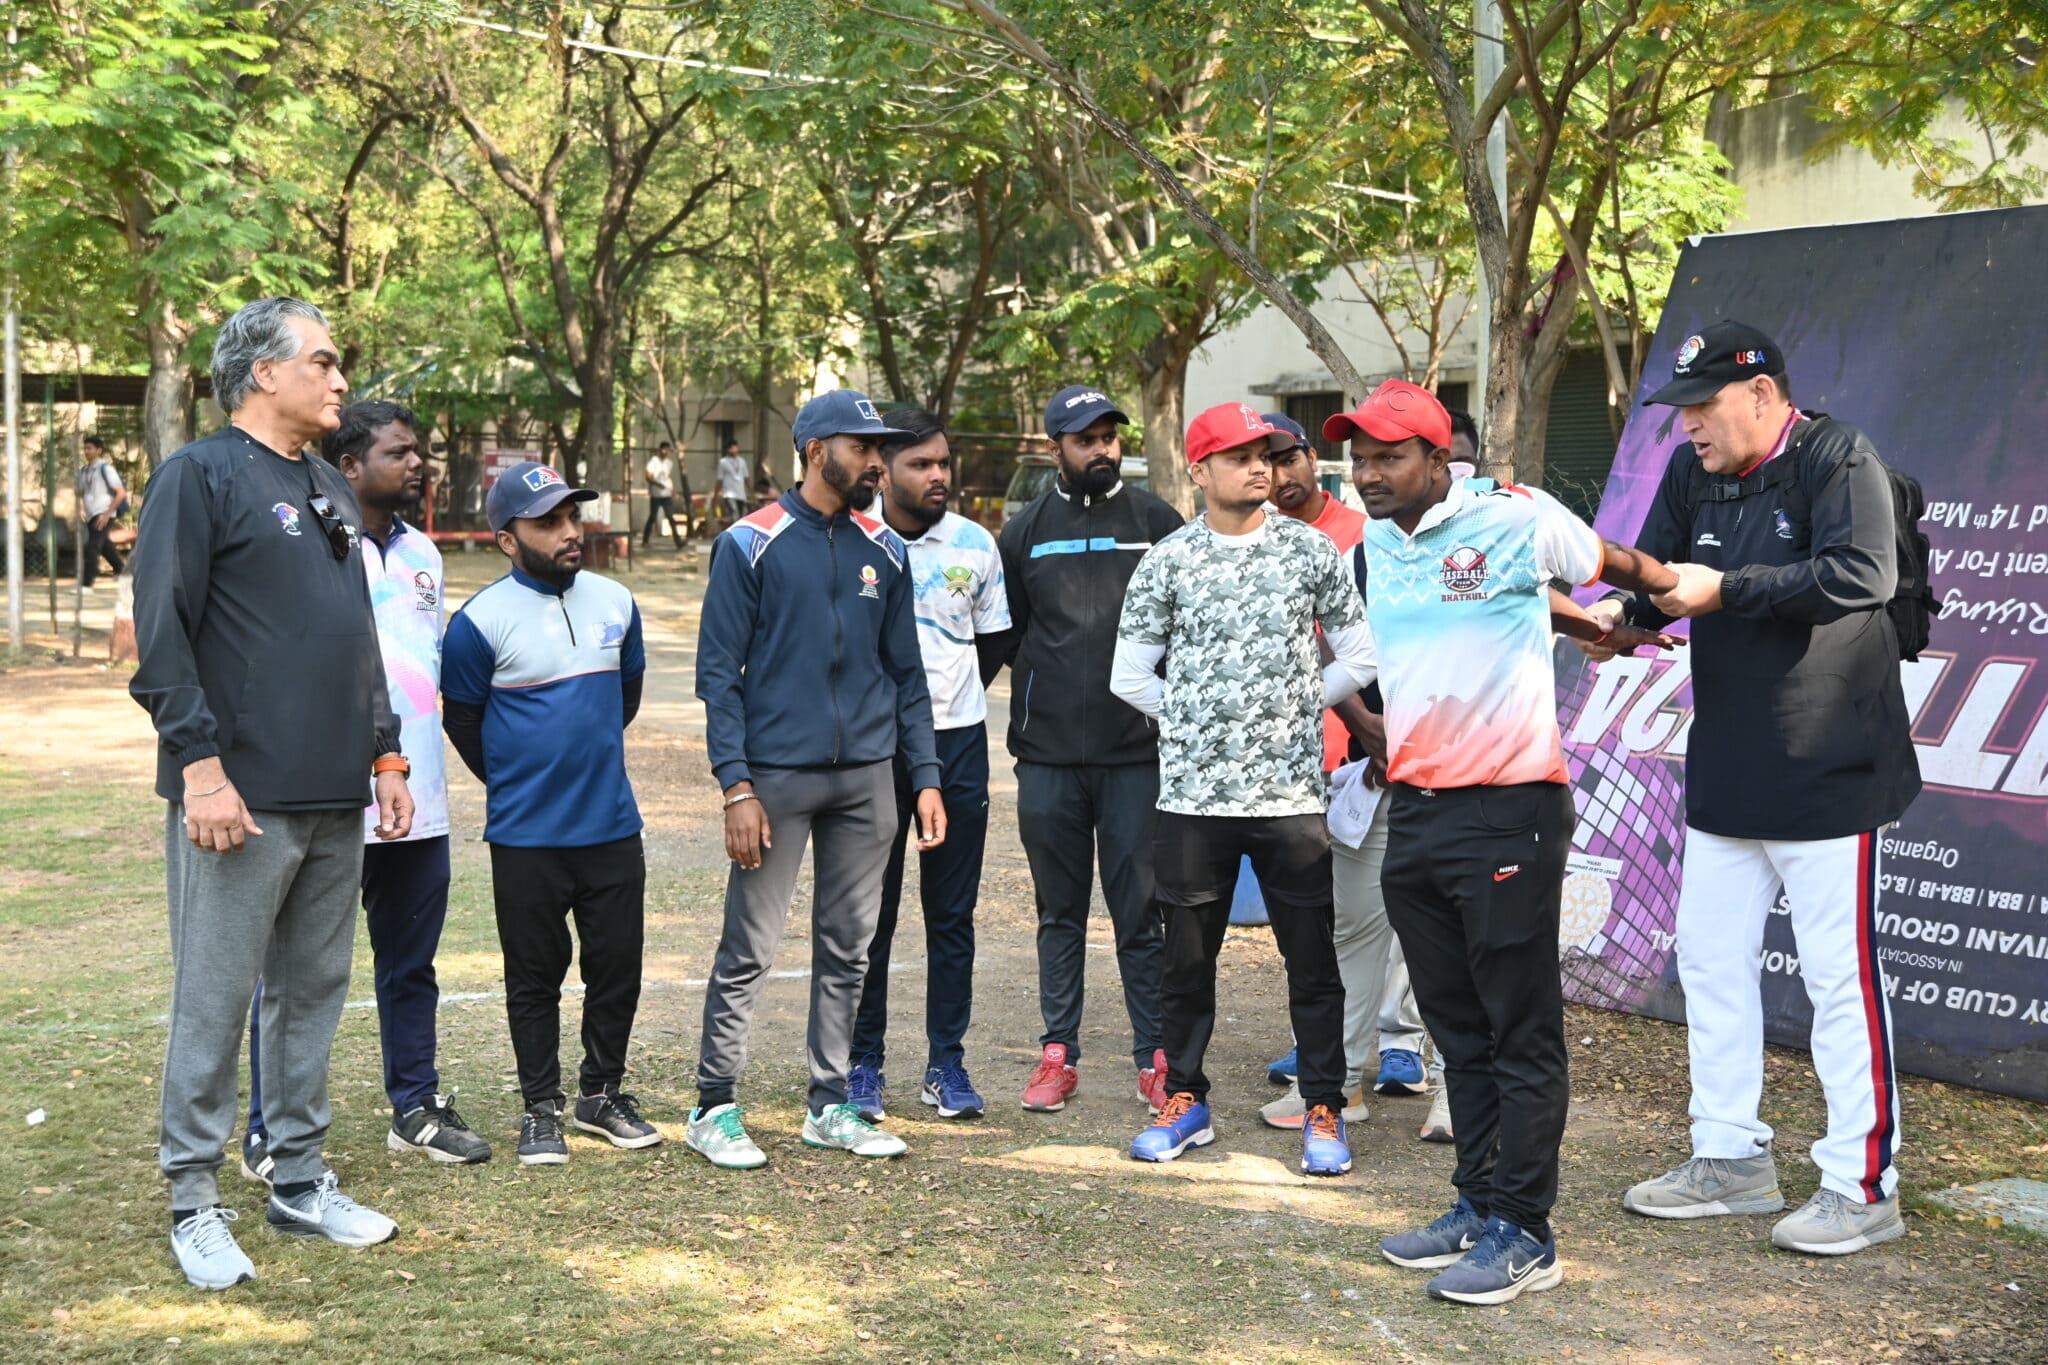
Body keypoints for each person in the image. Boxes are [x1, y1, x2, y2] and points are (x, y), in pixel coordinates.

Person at [1337, 379, 1677, 1305]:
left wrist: (1657, 599)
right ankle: (1478, 1203)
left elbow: (1605, 566)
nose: (1368, 473)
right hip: (1417, 811)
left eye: (1388, 456)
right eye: (1359, 457)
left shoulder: (1517, 516)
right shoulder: (1377, 540)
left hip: (1509, 805)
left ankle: (1527, 1231)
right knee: (1455, 1026)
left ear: (1439, 460)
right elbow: (1435, 632)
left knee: (1518, 1027)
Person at [1597, 321, 1920, 1256]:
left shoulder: (1836, 454)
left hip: (1831, 763)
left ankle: (1863, 1184)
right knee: (1707, 955)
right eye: (1681, 409)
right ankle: (1730, 1155)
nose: (1688, 425)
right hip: (1730, 758)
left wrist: (1725, 590)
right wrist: (1616, 615)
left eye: (1703, 407)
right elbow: (1660, 577)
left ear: (1764, 397)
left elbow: (1863, 574)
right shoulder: (1693, 471)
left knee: (1836, 977)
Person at [130, 296, 412, 1291]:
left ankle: (298, 1181)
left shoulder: (328, 482)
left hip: (335, 790)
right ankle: (193, 1200)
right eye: (325, 362)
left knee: (311, 996)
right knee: (214, 998)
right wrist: (201, 768)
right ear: (264, 373)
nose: (341, 381)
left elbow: (357, 632)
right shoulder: (197, 476)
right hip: (237, 798)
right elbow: (159, 635)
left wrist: (385, 755)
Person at [1111, 403, 1377, 1177]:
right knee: (1186, 963)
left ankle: (1322, 1104)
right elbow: (1130, 675)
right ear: (1200, 471)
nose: (1260, 467)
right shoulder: (1168, 560)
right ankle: (1185, 1098)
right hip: (1193, 799)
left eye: (1266, 453)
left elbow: (1358, 655)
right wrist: (1199, 719)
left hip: (1291, 797)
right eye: (1238, 456)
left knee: (1311, 960)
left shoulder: (1310, 551)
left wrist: (1294, 706)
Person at [689, 389, 944, 1168]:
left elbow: (907, 675)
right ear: (813, 450)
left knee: (850, 947)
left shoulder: (887, 548)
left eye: (879, 447)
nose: (876, 460)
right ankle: (713, 1104)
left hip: (868, 781)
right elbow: (716, 675)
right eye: (861, 446)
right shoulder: (749, 543)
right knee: (750, 945)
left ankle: (829, 1104)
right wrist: (737, 785)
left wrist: (924, 776)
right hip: (775, 780)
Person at [240, 401, 489, 1182]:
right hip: (323, 791)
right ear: (348, 466)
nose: (418, 464)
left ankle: (415, 1106)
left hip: (417, 798)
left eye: (420, 451)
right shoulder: (309, 547)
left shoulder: (424, 553)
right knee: (293, 972)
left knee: (410, 964)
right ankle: (268, 1126)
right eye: (400, 452)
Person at [441, 460, 657, 1167]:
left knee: (616, 967)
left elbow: (622, 704)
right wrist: (520, 783)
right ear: (507, 538)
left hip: (612, 828)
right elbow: (466, 723)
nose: (570, 532)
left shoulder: (617, 602)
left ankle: (601, 1093)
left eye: (572, 516)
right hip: (526, 836)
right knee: (533, 976)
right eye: (549, 522)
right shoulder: (476, 624)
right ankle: (541, 1109)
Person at [996, 385, 1185, 1114]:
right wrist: (1048, 683)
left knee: (1141, 910)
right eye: (1087, 439)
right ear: (1057, 450)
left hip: (1136, 756)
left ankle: (1154, 1056)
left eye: (1110, 437)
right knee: (1059, 910)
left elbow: (1182, 626)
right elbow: (1007, 632)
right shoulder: (1025, 532)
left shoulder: (1155, 523)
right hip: (1046, 759)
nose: (1103, 449)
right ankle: (1058, 1052)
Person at [845, 409, 1011, 1122]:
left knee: (951, 913)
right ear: (883, 471)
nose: (939, 475)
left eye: (945, 462)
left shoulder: (976, 544)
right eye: (923, 464)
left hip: (957, 746)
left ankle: (946, 1061)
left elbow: (994, 642)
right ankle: (862, 1062)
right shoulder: (852, 539)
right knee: (866, 916)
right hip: (870, 751)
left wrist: (946, 701)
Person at [1253, 413, 1383, 1133]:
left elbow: (1365, 650)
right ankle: (1338, 1073)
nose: (1278, 473)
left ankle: (1422, 1064)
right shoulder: (1257, 544)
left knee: (1420, 927)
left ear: (1310, 458)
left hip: (1377, 757)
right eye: (1262, 461)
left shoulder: (1364, 538)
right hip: (1306, 766)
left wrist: (1366, 727)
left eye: (1288, 456)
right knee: (1342, 925)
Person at [77, 434, 128, 587]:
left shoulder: (106, 469)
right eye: (85, 448)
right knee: (104, 545)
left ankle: (86, 584)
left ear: (98, 450)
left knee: (93, 547)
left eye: (90, 448)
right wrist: (81, 508)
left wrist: (107, 514)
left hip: (104, 513)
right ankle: (123, 571)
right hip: (91, 514)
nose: (86, 451)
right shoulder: (83, 471)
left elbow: (121, 493)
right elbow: (80, 492)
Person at [643, 442, 684, 548]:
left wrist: (673, 490)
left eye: (668, 450)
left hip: (666, 494)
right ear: (660, 449)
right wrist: (657, 484)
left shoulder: (669, 463)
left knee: (671, 517)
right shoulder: (654, 461)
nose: (665, 452)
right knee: (652, 517)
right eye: (664, 449)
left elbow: (667, 477)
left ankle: (678, 542)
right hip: (656, 494)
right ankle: (645, 540)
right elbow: (648, 477)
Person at [717, 439, 751, 521]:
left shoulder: (742, 461)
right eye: (731, 448)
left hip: (741, 494)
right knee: (734, 515)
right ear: (728, 450)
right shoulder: (723, 462)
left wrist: (751, 492)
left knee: (742, 517)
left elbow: (746, 477)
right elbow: (719, 479)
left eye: (735, 447)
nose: (734, 450)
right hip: (729, 494)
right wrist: (716, 494)